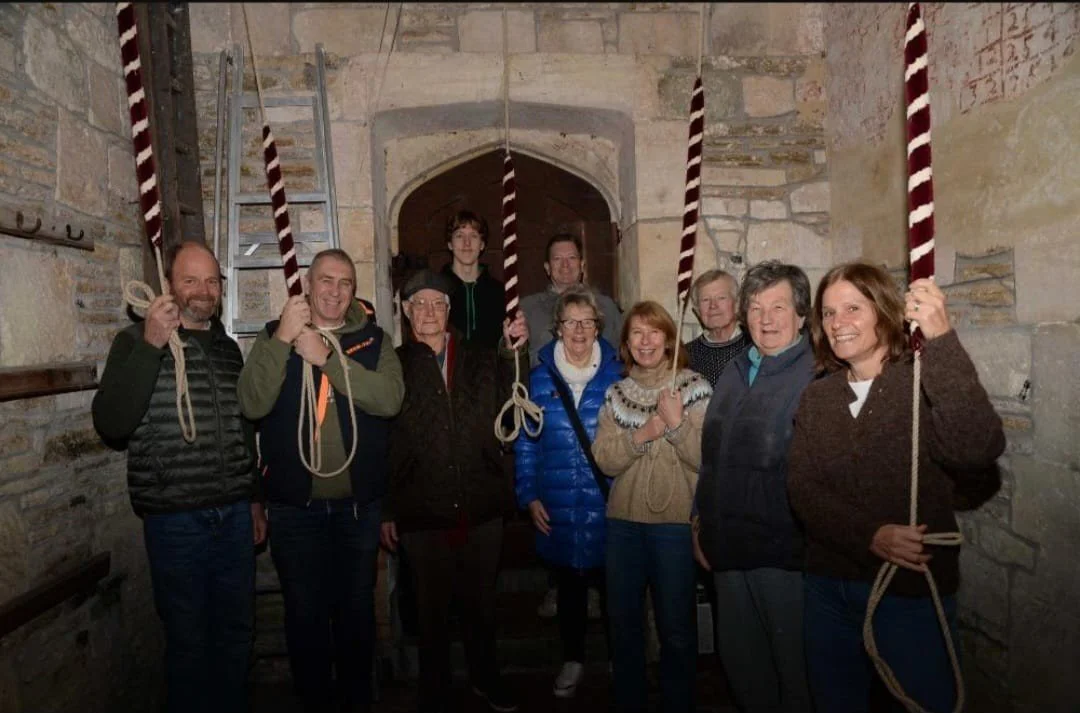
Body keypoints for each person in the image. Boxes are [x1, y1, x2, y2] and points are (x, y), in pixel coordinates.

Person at [787, 262, 1004, 713]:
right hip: (827, 586)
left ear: (884, 312)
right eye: (828, 313)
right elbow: (803, 490)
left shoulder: (922, 383)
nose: (837, 323)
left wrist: (941, 339)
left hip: (909, 592)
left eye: (852, 308)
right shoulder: (818, 397)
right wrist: (870, 535)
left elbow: (976, 448)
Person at [91, 240, 266, 713]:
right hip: (175, 522)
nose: (203, 290)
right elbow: (112, 422)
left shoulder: (229, 351)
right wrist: (150, 345)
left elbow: (242, 431)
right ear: (170, 285)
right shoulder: (133, 341)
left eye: (212, 280)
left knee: (236, 635)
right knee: (188, 642)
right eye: (191, 280)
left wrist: (253, 499)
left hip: (232, 516)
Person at [237, 248, 405, 713]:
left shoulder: (373, 341)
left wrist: (328, 359)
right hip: (294, 509)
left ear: (355, 290)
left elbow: (389, 398)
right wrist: (283, 340)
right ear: (308, 285)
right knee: (304, 615)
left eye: (345, 282)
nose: (334, 291)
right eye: (325, 281)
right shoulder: (275, 334)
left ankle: (356, 700)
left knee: (356, 614)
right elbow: (251, 404)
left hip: (358, 508)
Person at [380, 269, 529, 713]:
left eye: (437, 303)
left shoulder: (480, 358)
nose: (428, 311)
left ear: (449, 311)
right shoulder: (393, 364)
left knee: (481, 604)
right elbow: (382, 439)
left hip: (481, 502)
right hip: (421, 506)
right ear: (406, 313)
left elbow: (513, 391)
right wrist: (387, 506)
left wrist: (514, 350)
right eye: (418, 304)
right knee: (430, 612)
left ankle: (486, 678)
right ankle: (435, 689)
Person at [693, 260, 816, 713]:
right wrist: (698, 521)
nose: (766, 319)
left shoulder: (814, 376)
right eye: (757, 307)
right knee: (744, 669)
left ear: (801, 315)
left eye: (779, 306)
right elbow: (713, 456)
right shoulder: (735, 369)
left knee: (795, 675)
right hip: (727, 548)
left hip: (782, 555)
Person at [591, 301, 712, 713]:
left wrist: (676, 426)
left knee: (677, 629)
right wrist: (644, 432)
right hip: (623, 526)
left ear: (668, 338)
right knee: (624, 626)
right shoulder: (616, 392)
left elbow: (706, 459)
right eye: (636, 333)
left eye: (654, 332)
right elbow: (604, 458)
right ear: (625, 343)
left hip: (674, 527)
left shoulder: (694, 386)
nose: (645, 341)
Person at [513, 285, 623, 698]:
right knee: (571, 591)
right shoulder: (538, 379)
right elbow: (525, 441)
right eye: (570, 322)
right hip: (556, 500)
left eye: (587, 322)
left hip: (608, 500)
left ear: (599, 327)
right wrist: (529, 494)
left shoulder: (619, 373)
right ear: (557, 329)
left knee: (615, 591)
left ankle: (620, 659)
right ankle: (573, 660)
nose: (579, 330)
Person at [521, 233, 623, 366]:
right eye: (557, 258)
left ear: (582, 265)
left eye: (572, 258)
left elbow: (623, 355)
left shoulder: (606, 307)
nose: (565, 265)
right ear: (547, 267)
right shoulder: (527, 309)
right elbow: (514, 365)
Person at [438, 209, 506, 347]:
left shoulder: (500, 293)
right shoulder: (436, 291)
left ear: (482, 244)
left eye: (473, 236)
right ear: (450, 244)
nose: (467, 243)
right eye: (459, 236)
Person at [684, 269, 752, 387]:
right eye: (705, 300)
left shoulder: (756, 347)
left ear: (736, 304)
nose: (713, 306)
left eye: (721, 298)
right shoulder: (685, 355)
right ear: (697, 311)